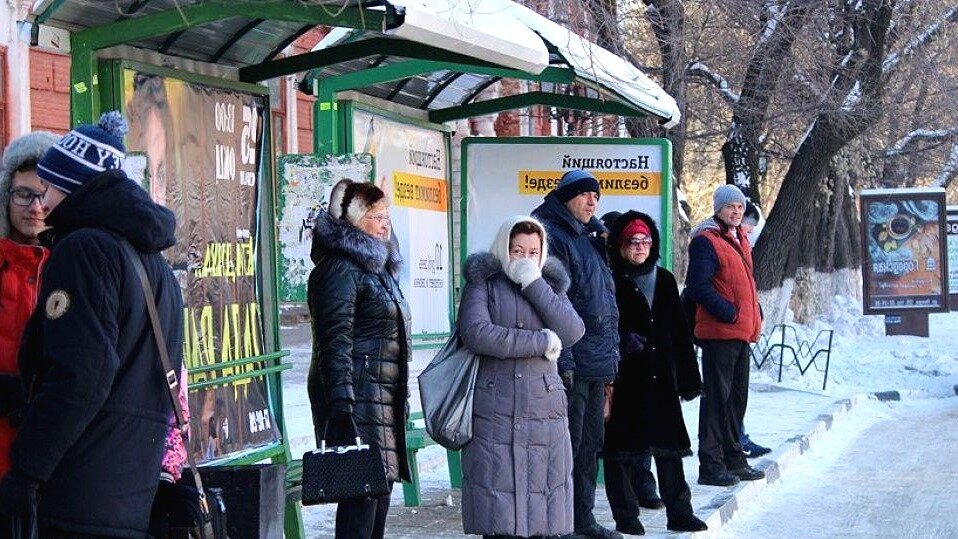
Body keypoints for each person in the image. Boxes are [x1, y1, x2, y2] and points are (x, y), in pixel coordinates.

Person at [0, 112, 184, 536]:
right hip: (130, 492)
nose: (42, 202)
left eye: (47, 186)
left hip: (80, 489)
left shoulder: (82, 250)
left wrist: (26, 472)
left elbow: (80, 377)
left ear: (71, 184)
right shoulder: (152, 261)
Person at [458, 216, 586, 538]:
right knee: (498, 509)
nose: (524, 259)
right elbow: (477, 333)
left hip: (544, 410)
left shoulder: (549, 285)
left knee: (541, 511)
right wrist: (541, 342)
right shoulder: (483, 282)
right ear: (504, 248)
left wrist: (534, 283)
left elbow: (572, 330)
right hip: (495, 407)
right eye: (517, 251)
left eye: (533, 252)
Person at [307, 178, 411, 539]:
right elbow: (333, 342)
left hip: (381, 401)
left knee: (377, 504)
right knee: (359, 510)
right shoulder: (339, 269)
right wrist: (341, 408)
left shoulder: (376, 268)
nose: (384, 225)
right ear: (353, 221)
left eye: (387, 217)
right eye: (376, 217)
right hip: (357, 405)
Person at [603, 211, 708, 535]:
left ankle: (680, 512)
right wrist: (622, 339)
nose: (639, 247)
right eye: (632, 241)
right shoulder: (611, 279)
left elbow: (679, 330)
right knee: (621, 451)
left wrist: (689, 378)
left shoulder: (663, 279)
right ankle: (626, 516)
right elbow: (600, 323)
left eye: (645, 241)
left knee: (669, 449)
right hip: (625, 379)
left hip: (661, 378)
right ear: (620, 245)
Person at [531, 169, 621, 539]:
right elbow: (554, 303)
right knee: (566, 446)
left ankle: (583, 518)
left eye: (596, 197)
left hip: (595, 358)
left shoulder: (589, 236)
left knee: (589, 445)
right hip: (572, 361)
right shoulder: (552, 234)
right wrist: (565, 359)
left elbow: (604, 299)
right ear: (567, 196)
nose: (592, 202)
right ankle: (560, 522)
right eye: (585, 195)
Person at [686, 184, 765, 487]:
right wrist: (729, 313)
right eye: (730, 206)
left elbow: (744, 283)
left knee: (736, 400)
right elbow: (698, 286)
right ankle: (711, 464)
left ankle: (734, 458)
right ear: (718, 208)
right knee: (717, 400)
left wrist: (754, 313)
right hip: (720, 332)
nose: (736, 211)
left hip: (741, 332)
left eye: (740, 207)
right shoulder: (706, 241)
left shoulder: (739, 238)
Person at [0, 132, 58, 480]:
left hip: (52, 458)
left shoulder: (75, 266)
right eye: (23, 194)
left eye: (43, 194)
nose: (34, 207)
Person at [738, 201, 771, 459]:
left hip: (740, 328)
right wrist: (733, 314)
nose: (749, 232)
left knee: (735, 393)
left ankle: (738, 438)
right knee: (726, 395)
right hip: (725, 330)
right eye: (748, 227)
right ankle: (735, 441)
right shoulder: (718, 241)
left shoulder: (741, 245)